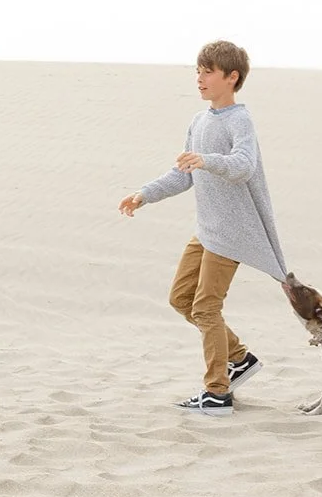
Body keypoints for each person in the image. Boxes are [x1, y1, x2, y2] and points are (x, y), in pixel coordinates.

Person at [118, 40, 288, 417]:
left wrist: (206, 160)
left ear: (232, 77)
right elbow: (183, 176)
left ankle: (217, 393)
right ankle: (239, 358)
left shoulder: (240, 120)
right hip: (207, 229)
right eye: (197, 71)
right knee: (181, 299)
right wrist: (143, 194)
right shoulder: (199, 121)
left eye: (208, 71)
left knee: (206, 307)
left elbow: (242, 165)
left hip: (233, 233)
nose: (200, 79)